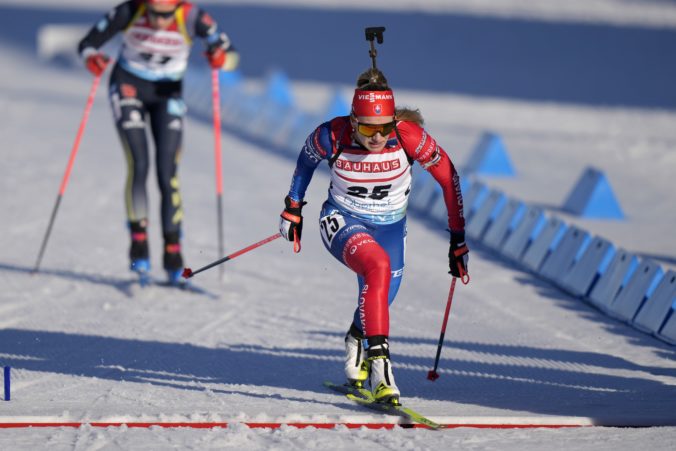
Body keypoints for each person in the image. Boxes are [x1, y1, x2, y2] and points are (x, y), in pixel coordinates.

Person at [278, 68, 469, 404]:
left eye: (384, 128)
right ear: (353, 121)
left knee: (381, 295)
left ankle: (356, 337)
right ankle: (381, 370)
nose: (377, 138)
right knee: (377, 266)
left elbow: (449, 178)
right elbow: (305, 163)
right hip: (342, 218)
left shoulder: (409, 137)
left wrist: (458, 238)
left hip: (391, 227)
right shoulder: (332, 135)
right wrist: (293, 208)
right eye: (367, 128)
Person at [77, 0, 238, 283]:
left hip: (167, 95)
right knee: (139, 163)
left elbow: (231, 53)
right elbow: (88, 43)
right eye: (152, 13)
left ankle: (172, 249)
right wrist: (93, 58)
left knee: (168, 173)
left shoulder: (193, 17)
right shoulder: (129, 10)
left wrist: (220, 58)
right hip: (127, 85)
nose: (158, 21)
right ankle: (139, 243)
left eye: (165, 15)